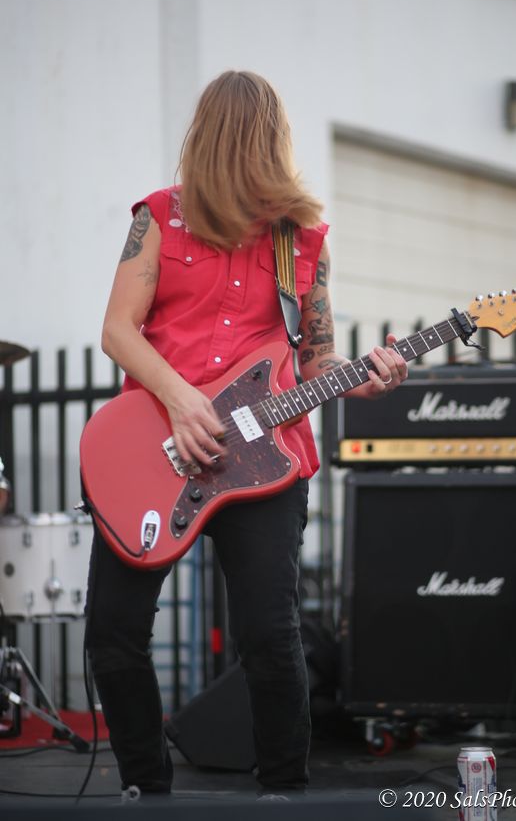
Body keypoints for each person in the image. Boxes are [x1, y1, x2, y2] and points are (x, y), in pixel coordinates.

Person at [84, 70, 408, 801]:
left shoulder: (303, 241)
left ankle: (283, 795)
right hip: (154, 450)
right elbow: (116, 330)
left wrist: (371, 375)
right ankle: (146, 792)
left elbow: (318, 362)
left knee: (269, 635)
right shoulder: (158, 217)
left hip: (266, 459)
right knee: (114, 631)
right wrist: (181, 400)